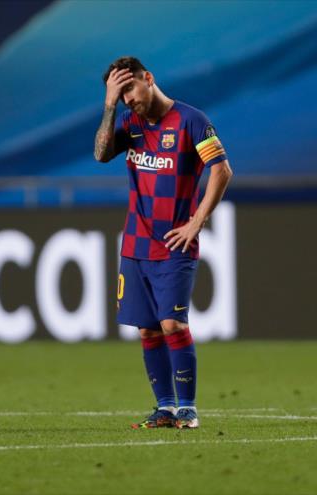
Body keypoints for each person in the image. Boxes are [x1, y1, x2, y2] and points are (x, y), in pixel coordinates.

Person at [93, 56, 233, 429]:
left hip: (174, 244)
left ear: (148, 78)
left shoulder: (191, 121)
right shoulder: (130, 123)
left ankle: (188, 408)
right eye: (119, 96)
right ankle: (165, 407)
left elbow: (222, 170)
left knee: (172, 323)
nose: (127, 100)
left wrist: (197, 222)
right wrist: (108, 105)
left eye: (128, 89)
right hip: (136, 245)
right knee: (148, 330)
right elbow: (101, 153)